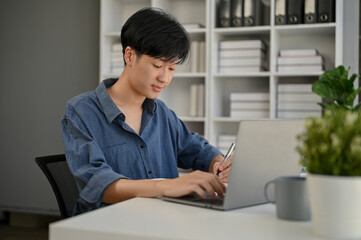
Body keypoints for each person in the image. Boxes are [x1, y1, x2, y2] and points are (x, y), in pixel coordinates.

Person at [61, 7, 232, 215]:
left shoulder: (161, 112)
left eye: (171, 69)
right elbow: (97, 184)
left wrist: (219, 163)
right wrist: (167, 186)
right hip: (110, 225)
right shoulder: (81, 111)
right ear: (130, 55)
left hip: (161, 221)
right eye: (157, 65)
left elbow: (199, 151)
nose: (165, 78)